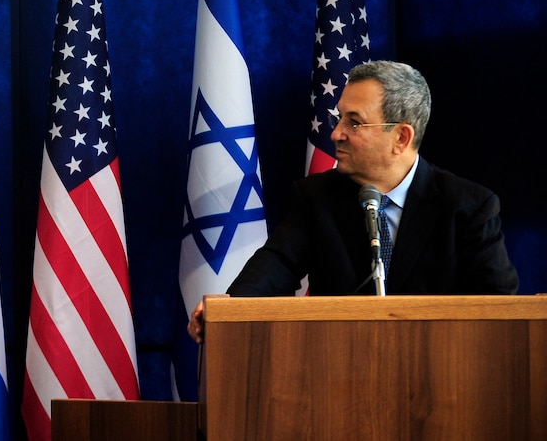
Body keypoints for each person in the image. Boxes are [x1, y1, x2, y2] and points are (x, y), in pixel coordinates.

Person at [187, 60, 518, 342]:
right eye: (339, 118)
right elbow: (277, 266)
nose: (336, 134)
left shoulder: (468, 206)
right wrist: (228, 308)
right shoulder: (317, 198)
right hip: (340, 378)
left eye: (354, 122)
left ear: (401, 138)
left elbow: (501, 311)